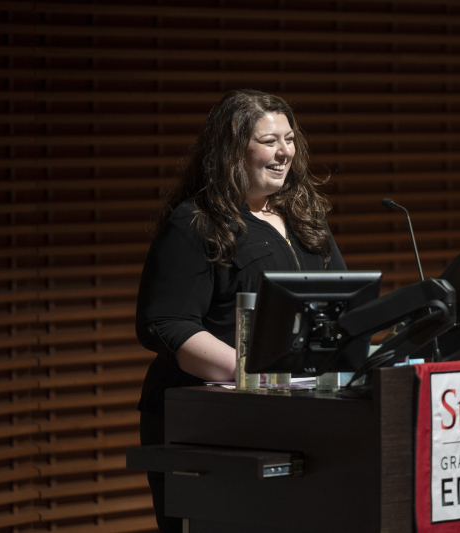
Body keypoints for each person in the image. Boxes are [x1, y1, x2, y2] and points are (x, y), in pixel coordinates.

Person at [134, 89, 346, 532]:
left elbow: (341, 306)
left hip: (302, 417)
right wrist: (253, 371)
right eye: (269, 141)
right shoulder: (197, 223)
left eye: (289, 139)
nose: (284, 151)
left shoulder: (306, 220)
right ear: (232, 150)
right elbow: (166, 323)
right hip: (212, 423)